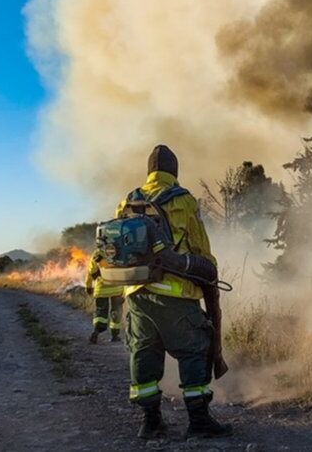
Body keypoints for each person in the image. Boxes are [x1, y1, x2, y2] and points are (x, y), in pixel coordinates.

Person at [119, 145, 232, 439]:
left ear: (149, 172)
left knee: (144, 354)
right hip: (176, 294)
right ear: (174, 171)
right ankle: (199, 421)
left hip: (137, 295)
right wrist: (204, 269)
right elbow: (201, 250)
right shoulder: (183, 200)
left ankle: (150, 421)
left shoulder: (128, 201)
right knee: (195, 351)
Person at [84, 255, 124, 343]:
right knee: (116, 311)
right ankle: (115, 336)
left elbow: (91, 272)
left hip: (101, 289)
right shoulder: (118, 250)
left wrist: (88, 286)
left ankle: (96, 331)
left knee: (100, 312)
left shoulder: (97, 253)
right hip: (117, 289)